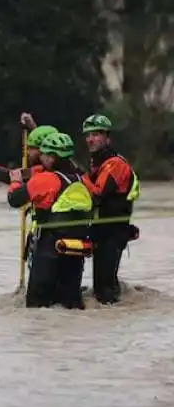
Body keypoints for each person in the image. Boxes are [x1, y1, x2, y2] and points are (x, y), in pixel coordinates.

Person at [6, 132, 93, 309]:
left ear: (52, 158)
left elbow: (15, 199)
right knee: (71, 306)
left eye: (44, 154)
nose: (41, 157)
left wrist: (15, 181)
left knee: (37, 307)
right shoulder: (83, 180)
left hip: (48, 250)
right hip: (75, 251)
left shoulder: (45, 179)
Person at [80, 114, 140, 304]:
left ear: (108, 137)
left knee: (104, 289)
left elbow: (98, 195)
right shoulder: (98, 162)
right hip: (101, 229)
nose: (91, 139)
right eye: (88, 135)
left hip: (113, 230)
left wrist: (81, 177)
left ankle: (114, 320)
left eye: (96, 134)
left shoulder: (115, 164)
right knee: (102, 284)